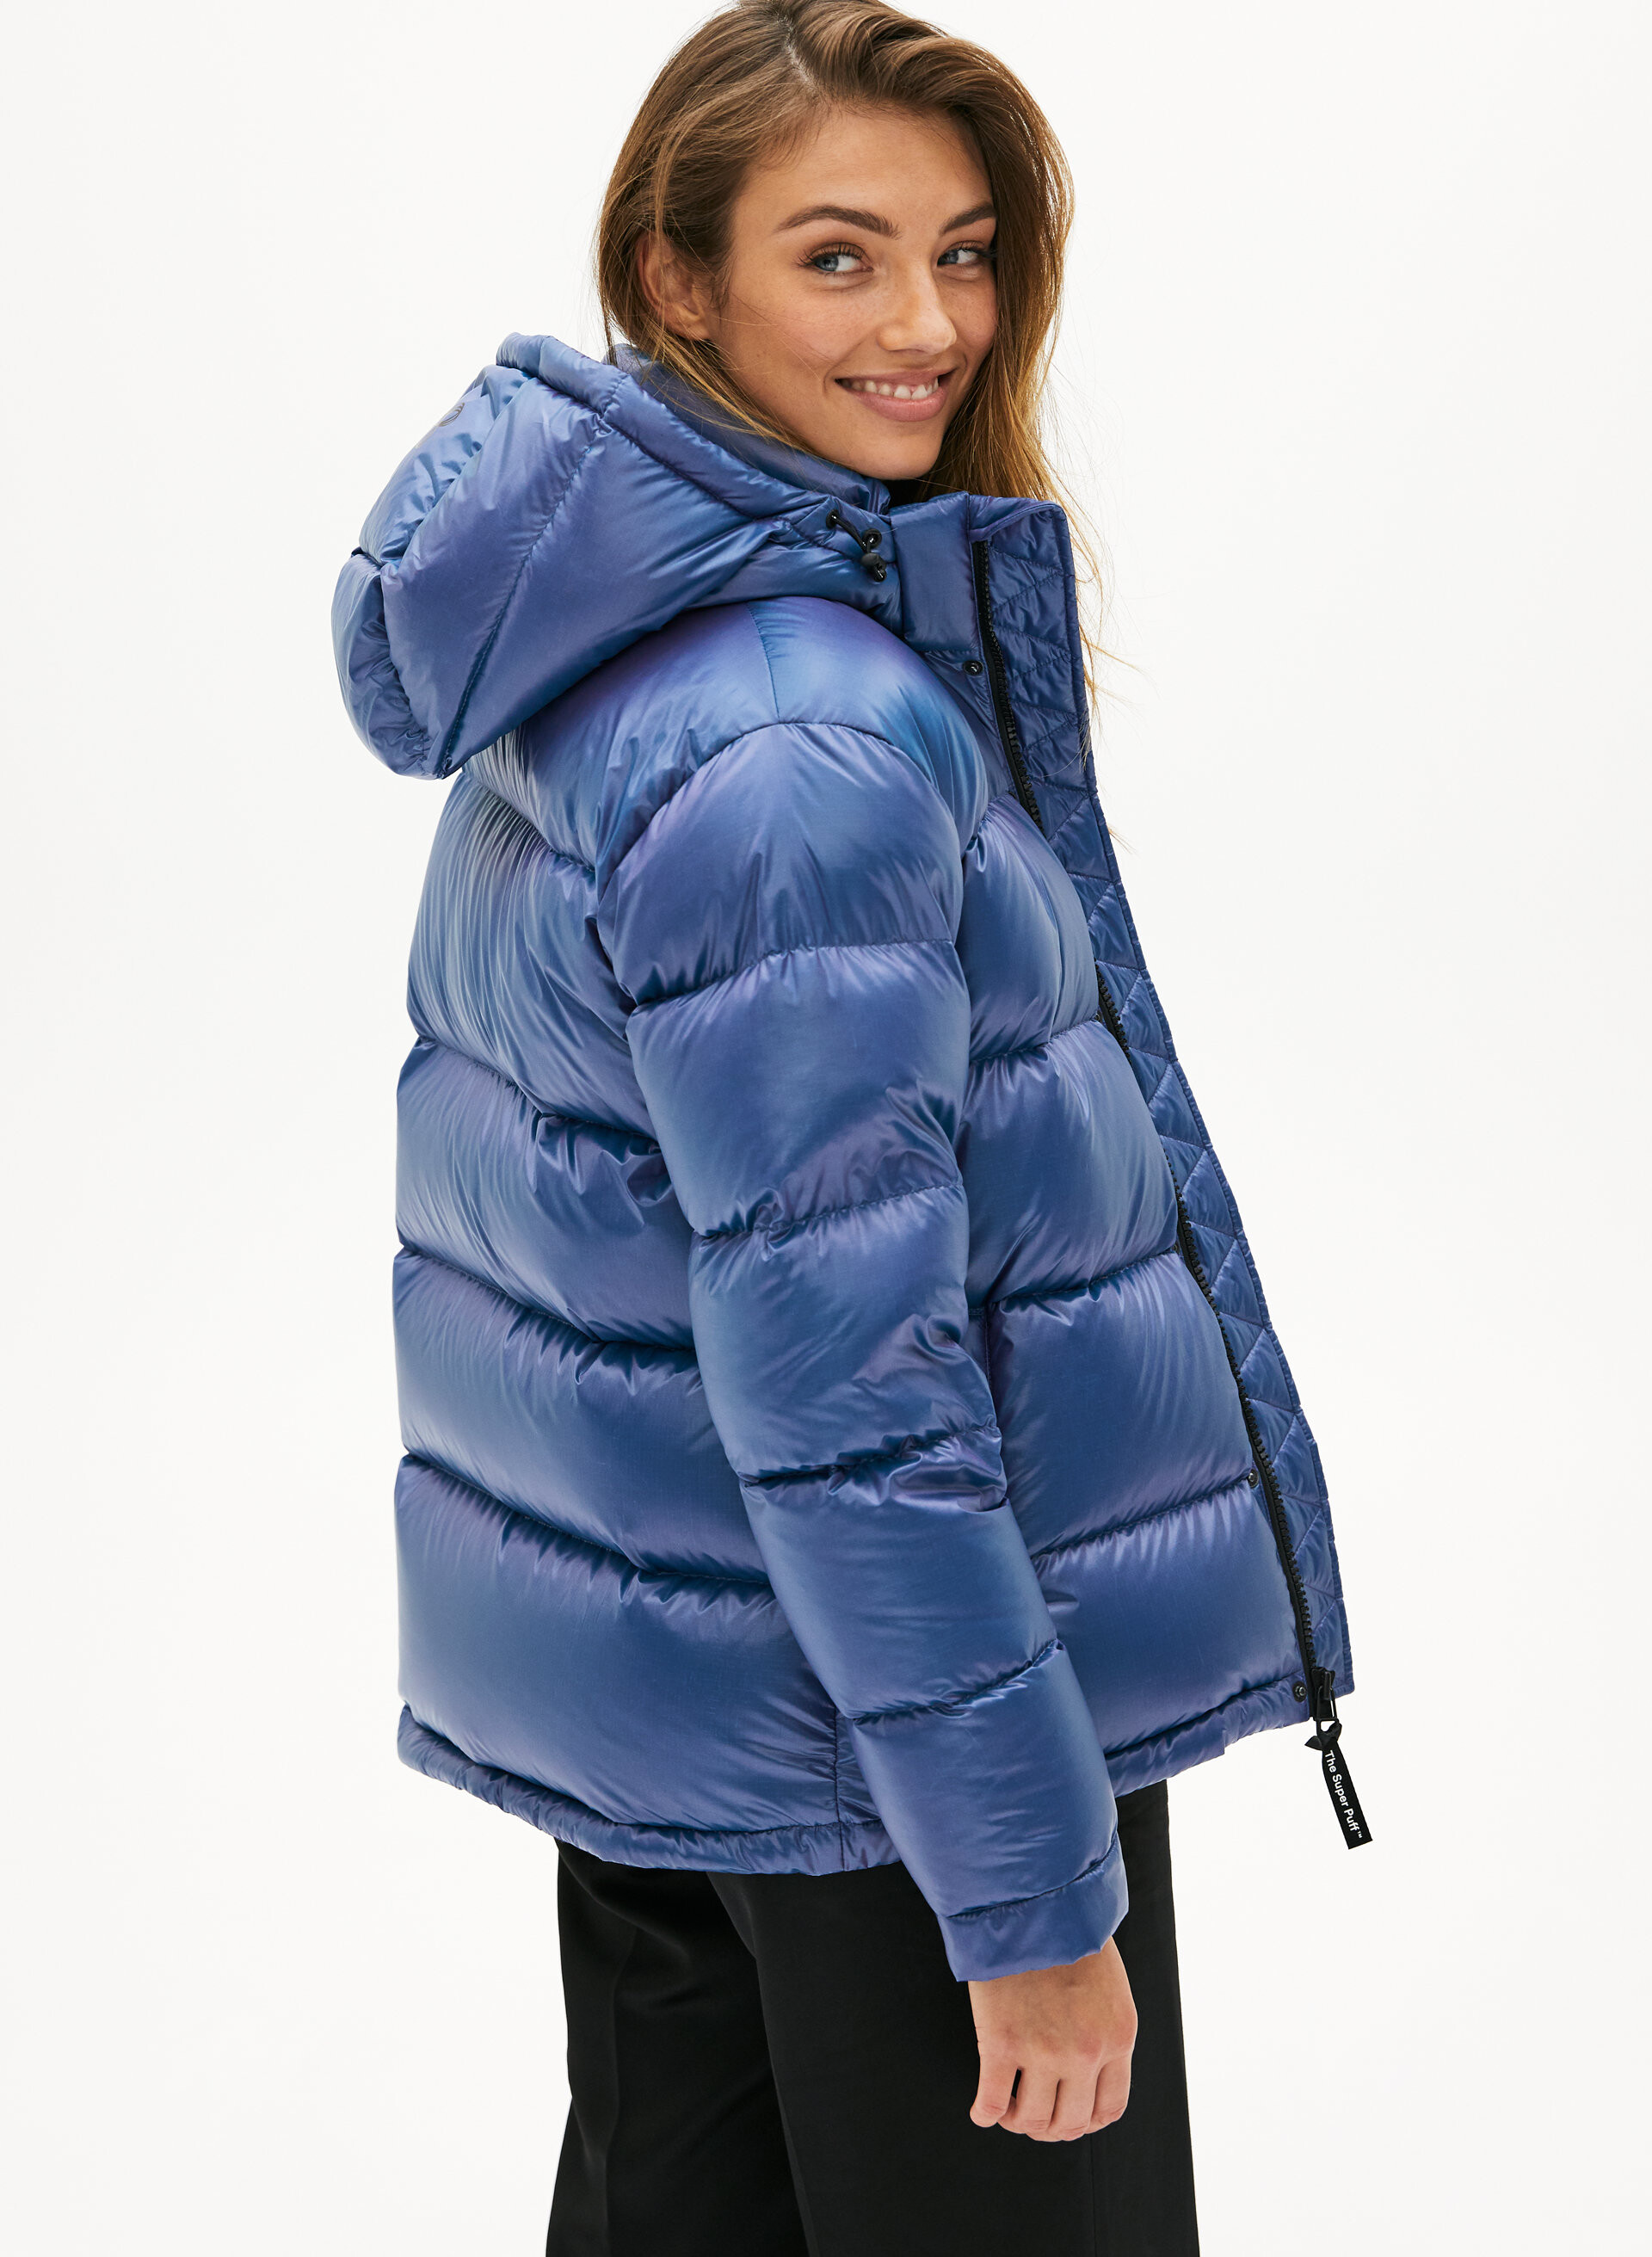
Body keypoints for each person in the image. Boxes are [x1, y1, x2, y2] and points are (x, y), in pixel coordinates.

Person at [331, 4, 1363, 2249]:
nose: (928, 326)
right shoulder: (797, 738)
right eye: (838, 256)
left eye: (963, 252)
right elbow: (854, 1389)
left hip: (688, 1731)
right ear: (676, 278)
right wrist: (1029, 1894)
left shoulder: (609, 656)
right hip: (901, 1764)